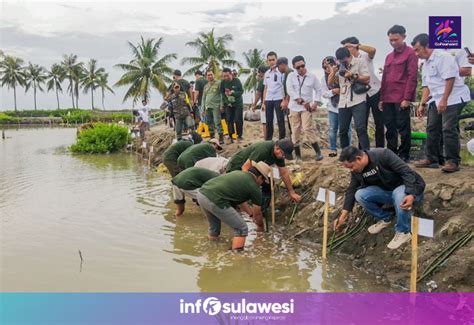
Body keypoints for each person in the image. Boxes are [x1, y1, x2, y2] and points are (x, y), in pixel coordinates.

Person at [334, 147, 425, 250]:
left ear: (358, 158)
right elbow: (352, 189)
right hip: (387, 192)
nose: (351, 170)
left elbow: (407, 172)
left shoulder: (383, 155)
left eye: (351, 166)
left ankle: (403, 231)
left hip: (405, 188)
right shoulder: (357, 171)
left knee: (399, 195)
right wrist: (343, 215)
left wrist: (411, 194)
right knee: (360, 194)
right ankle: (385, 218)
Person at [412, 33, 471, 173]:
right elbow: (427, 86)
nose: (416, 53)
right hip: (436, 97)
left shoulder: (443, 57)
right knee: (432, 127)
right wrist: (422, 104)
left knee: (448, 127)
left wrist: (445, 99)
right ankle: (432, 158)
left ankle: (452, 161)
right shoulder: (425, 64)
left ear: (427, 46)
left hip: (453, 96)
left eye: (417, 49)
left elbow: (450, 79)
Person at [197, 161, 272, 250]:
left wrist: (250, 214)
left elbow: (239, 201)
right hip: (215, 199)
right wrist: (260, 227)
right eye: (263, 181)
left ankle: (212, 250)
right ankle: (236, 257)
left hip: (202, 194)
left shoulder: (238, 174)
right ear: (260, 177)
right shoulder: (254, 188)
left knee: (214, 229)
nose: (262, 183)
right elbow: (258, 213)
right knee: (241, 228)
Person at [379, 25, 418, 162]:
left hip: (401, 97)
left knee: (403, 127)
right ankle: (391, 153)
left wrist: (407, 98)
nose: (393, 42)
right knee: (389, 127)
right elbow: (384, 78)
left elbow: (412, 77)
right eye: (390, 40)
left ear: (404, 37)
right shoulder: (389, 56)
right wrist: (382, 98)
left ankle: (404, 154)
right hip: (388, 97)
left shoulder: (411, 53)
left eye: (396, 39)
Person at [341, 36, 384, 148]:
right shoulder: (346, 62)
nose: (346, 49)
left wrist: (358, 45)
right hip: (361, 95)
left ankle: (380, 149)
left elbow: (373, 50)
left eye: (348, 46)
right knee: (361, 124)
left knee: (379, 123)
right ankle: (363, 150)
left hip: (374, 92)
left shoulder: (365, 56)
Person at [226, 138, 301, 203]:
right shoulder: (263, 149)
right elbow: (245, 168)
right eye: (283, 155)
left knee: (267, 185)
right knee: (244, 190)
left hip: (253, 167)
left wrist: (292, 192)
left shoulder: (279, 156)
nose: (283, 157)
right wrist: (251, 187)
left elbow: (284, 173)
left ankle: (262, 208)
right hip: (237, 167)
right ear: (277, 148)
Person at [330, 47, 371, 150]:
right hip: (343, 101)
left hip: (358, 100)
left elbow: (367, 79)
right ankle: (346, 154)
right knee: (342, 130)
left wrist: (353, 75)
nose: (344, 63)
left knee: (360, 129)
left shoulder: (359, 62)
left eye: (345, 61)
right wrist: (332, 71)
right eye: (341, 61)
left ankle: (366, 153)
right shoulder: (340, 66)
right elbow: (330, 84)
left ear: (349, 56)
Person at [286, 55, 324, 161]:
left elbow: (318, 89)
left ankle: (318, 153)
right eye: (298, 67)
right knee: (295, 130)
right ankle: (298, 155)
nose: (301, 68)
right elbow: (290, 90)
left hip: (306, 107)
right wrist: (298, 99)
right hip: (294, 107)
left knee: (307, 128)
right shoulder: (291, 76)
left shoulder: (312, 76)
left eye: (302, 66)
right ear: (294, 67)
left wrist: (316, 103)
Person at [321, 56, 352, 157]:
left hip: (346, 105)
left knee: (347, 129)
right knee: (333, 129)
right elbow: (324, 93)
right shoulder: (324, 79)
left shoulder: (342, 74)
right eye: (325, 67)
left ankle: (348, 149)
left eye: (329, 66)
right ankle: (333, 149)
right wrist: (333, 91)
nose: (327, 69)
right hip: (333, 107)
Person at [262, 51, 286, 140]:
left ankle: (282, 140)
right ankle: (268, 140)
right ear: (267, 61)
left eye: (273, 59)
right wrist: (263, 102)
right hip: (268, 99)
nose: (271, 62)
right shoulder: (267, 73)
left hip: (279, 98)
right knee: (269, 121)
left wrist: (284, 100)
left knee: (280, 120)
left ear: (276, 60)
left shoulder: (281, 72)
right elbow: (265, 88)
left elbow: (284, 87)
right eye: (269, 60)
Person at [220, 67, 244, 143]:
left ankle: (239, 135)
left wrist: (233, 93)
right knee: (229, 120)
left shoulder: (237, 81)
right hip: (228, 104)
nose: (225, 77)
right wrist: (227, 102)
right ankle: (231, 136)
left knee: (238, 119)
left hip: (238, 104)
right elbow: (222, 94)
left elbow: (241, 91)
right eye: (224, 76)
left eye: (227, 76)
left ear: (231, 74)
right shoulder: (223, 82)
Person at [201, 70, 224, 144]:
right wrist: (202, 109)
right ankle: (212, 137)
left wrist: (221, 104)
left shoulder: (219, 83)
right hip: (208, 107)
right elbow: (203, 98)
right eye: (208, 75)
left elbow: (221, 94)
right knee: (209, 123)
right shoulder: (206, 86)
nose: (210, 76)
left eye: (211, 74)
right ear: (206, 77)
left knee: (217, 122)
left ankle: (221, 138)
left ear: (213, 75)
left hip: (216, 106)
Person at [277, 57, 294, 136]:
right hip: (289, 102)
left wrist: (286, 101)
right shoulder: (286, 73)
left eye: (278, 66)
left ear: (283, 65)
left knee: (292, 124)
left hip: (291, 102)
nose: (278, 69)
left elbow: (290, 89)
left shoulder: (289, 73)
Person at [251, 65, 269, 139]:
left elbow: (258, 94)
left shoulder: (263, 81)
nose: (258, 74)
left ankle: (266, 137)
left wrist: (254, 104)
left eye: (259, 72)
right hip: (274, 102)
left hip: (265, 104)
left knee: (265, 122)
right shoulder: (270, 79)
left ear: (261, 73)